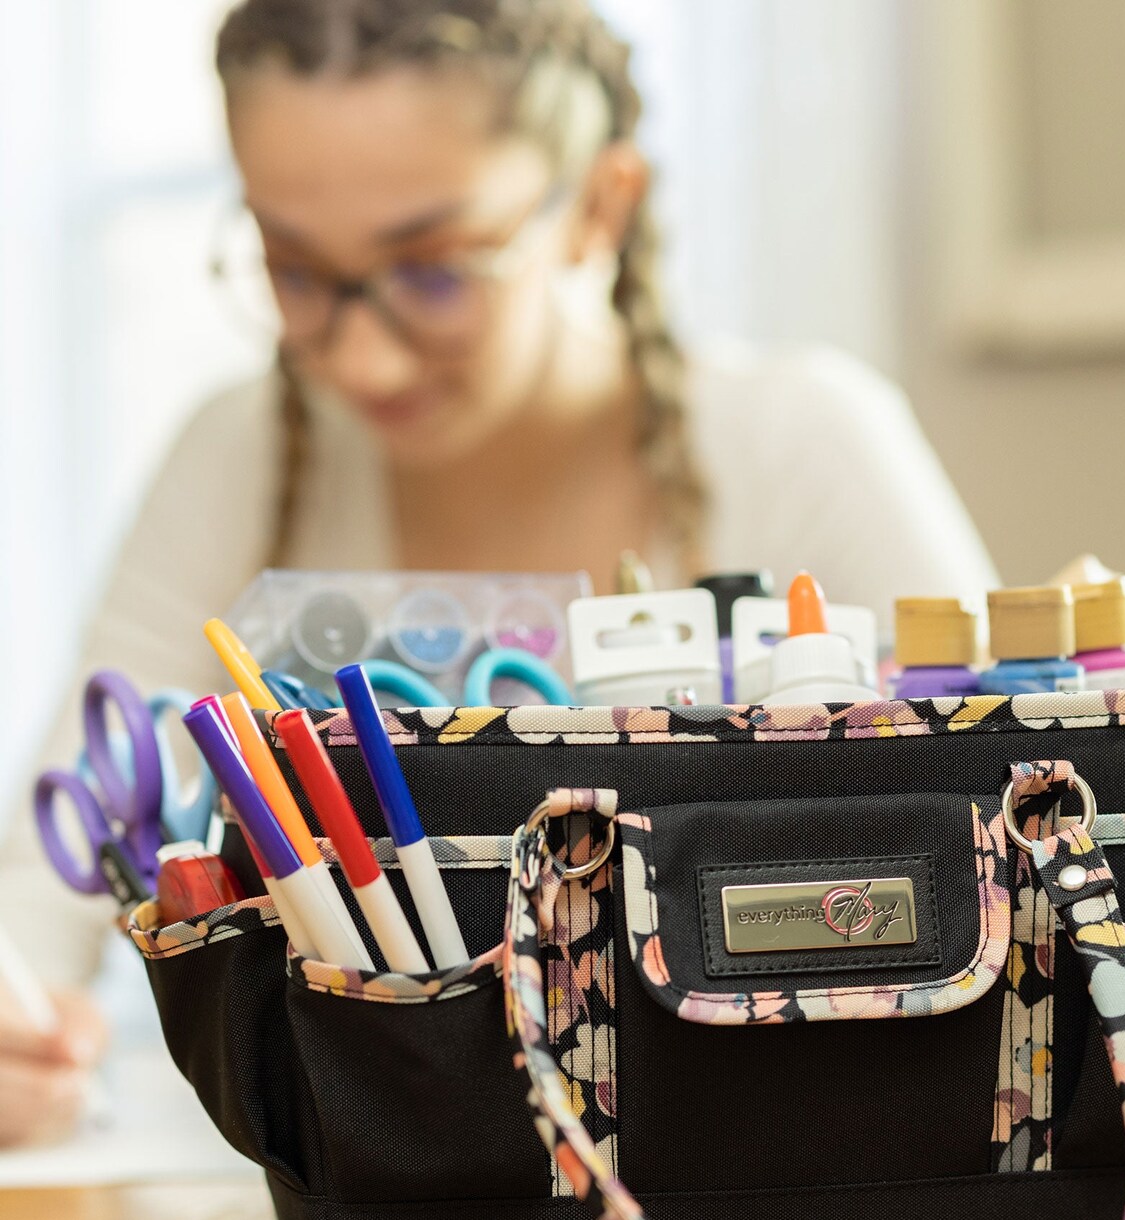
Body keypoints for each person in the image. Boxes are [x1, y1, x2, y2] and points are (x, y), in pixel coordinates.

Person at [0, 0, 998, 1146]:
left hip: (788, 1156)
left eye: (434, 269)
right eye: (294, 266)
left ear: (597, 206)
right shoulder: (232, 456)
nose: (361, 353)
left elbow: (1005, 823)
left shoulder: (803, 441)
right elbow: (48, 888)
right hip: (366, 1213)